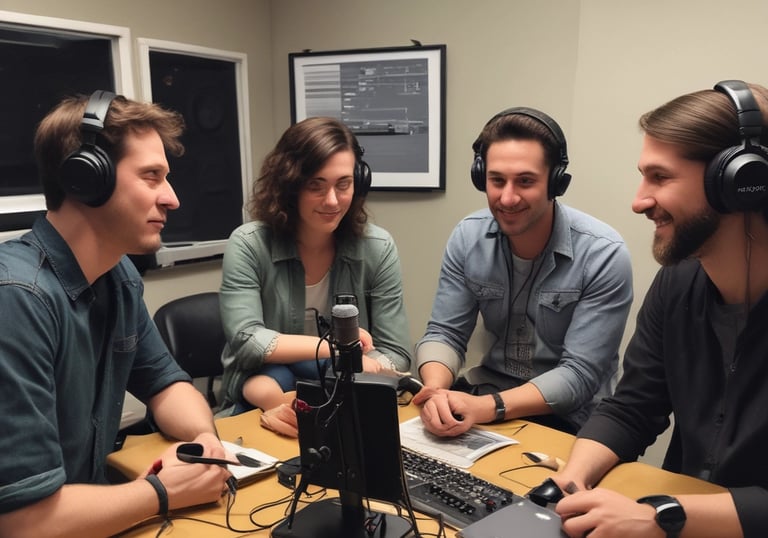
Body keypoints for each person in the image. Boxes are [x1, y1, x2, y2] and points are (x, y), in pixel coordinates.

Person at [0, 91, 233, 537]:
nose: (172, 199)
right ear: (87, 179)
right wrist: (162, 492)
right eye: (151, 176)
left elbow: (166, 383)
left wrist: (205, 440)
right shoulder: (17, 299)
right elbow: (23, 523)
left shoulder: (117, 277)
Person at [552, 80, 768, 538]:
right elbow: (634, 406)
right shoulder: (678, 281)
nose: (638, 200)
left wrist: (660, 516)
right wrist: (570, 481)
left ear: (740, 181)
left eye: (660, 177)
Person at [412, 107, 633, 437]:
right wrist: (436, 391)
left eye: (525, 181)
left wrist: (489, 407)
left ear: (556, 183)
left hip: (570, 420)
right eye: (496, 180)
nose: (508, 197)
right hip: (483, 403)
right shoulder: (467, 237)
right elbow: (445, 333)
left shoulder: (603, 253)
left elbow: (579, 373)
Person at [218, 116, 411, 434]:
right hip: (260, 398)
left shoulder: (378, 247)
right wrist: (338, 348)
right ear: (290, 186)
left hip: (343, 398)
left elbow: (397, 355)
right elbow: (248, 342)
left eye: (343, 184)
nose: (333, 200)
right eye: (315, 185)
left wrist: (368, 366)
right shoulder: (249, 244)